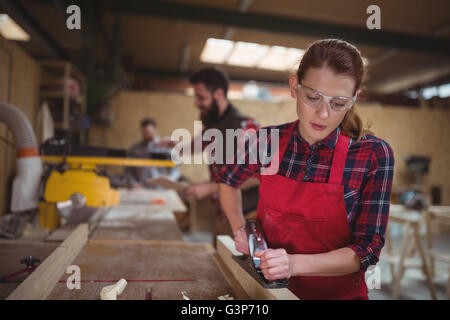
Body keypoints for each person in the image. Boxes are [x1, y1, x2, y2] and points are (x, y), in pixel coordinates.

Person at [218, 39, 395, 300]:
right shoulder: (264, 142)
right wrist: (239, 227)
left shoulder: (374, 155)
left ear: (354, 99)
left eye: (338, 103)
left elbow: (367, 249)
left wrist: (293, 264)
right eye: (313, 97)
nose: (323, 114)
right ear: (294, 87)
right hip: (268, 292)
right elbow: (228, 181)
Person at [185, 67, 260, 240]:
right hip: (222, 212)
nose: (197, 103)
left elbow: (256, 177)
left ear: (218, 93)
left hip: (245, 215)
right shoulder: (212, 124)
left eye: (201, 97)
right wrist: (174, 146)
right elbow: (195, 146)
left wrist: (210, 187)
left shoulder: (245, 125)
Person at [127, 118, 180, 188]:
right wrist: (133, 182)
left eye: (149, 131)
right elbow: (129, 168)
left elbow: (176, 165)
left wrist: (171, 178)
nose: (147, 134)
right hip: (141, 188)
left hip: (160, 188)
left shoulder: (165, 146)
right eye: (144, 131)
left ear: (155, 130)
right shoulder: (135, 148)